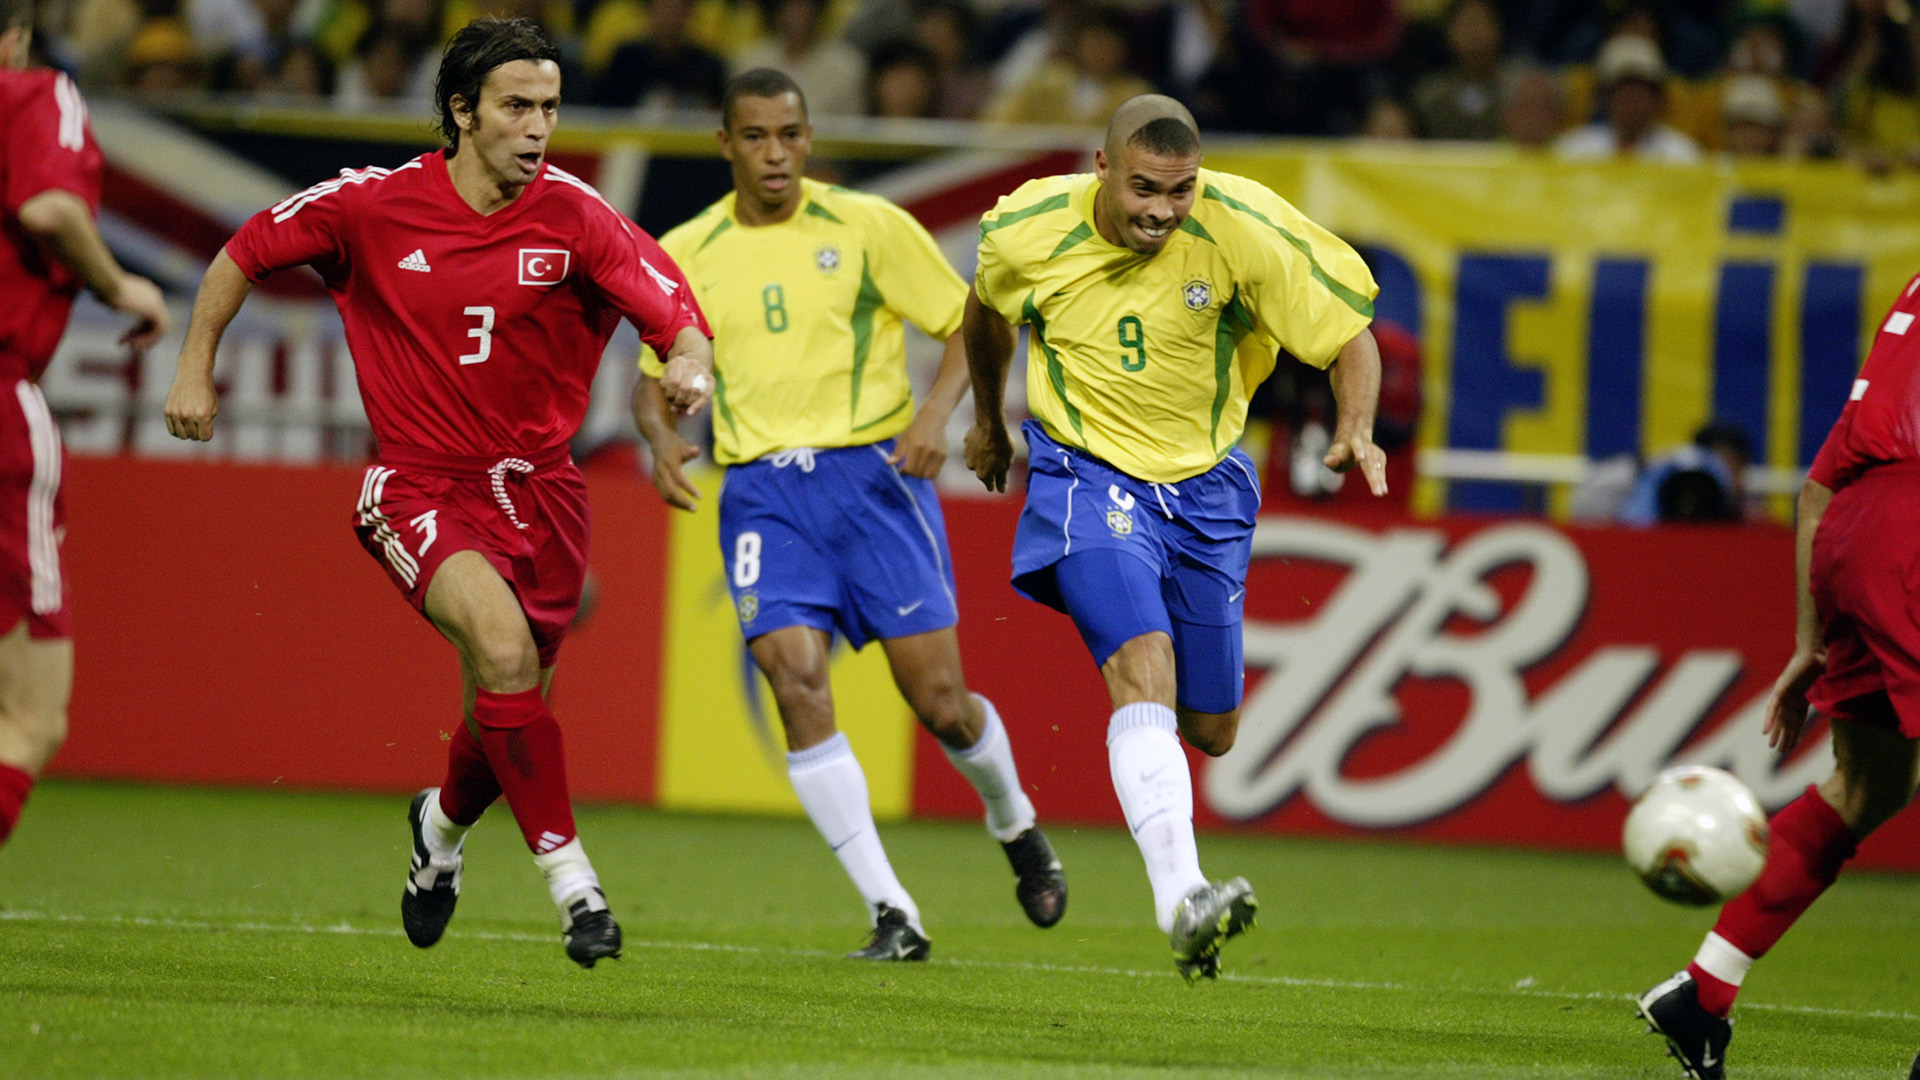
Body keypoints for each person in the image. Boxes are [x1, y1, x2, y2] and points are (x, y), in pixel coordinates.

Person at [161, 17, 715, 967]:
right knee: (501, 655)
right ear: (462, 112)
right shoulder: (370, 206)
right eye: (516, 107)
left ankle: (440, 833)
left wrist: (689, 377)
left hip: (542, 494)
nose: (538, 127)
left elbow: (679, 321)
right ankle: (577, 889)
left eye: (548, 107)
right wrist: (194, 366)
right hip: (419, 482)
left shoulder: (578, 216)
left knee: (505, 713)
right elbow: (245, 250)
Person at [635, 69, 1066, 961]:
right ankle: (893, 911)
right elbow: (652, 376)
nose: (776, 154)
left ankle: (1013, 820)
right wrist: (659, 436)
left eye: (790, 135)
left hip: (873, 483)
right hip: (759, 491)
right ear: (725, 144)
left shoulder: (866, 225)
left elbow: (970, 323)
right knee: (795, 682)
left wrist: (934, 418)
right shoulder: (685, 250)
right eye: (755, 137)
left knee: (941, 703)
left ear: (808, 136)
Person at [963, 94, 1387, 979]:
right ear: (1102, 167)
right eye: (1146, 189)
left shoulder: (1243, 226)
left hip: (1207, 487)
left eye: (1181, 191)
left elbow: (1351, 337)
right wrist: (991, 420)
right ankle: (1183, 896)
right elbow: (984, 310)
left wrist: (1359, 425)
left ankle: (1167, 820)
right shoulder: (1026, 228)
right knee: (1141, 662)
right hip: (1088, 474)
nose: (1162, 211)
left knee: (1214, 725)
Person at [1635, 279, 1920, 1078]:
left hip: (1855, 536)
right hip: (1913, 539)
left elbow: (1817, 489)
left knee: (1868, 789)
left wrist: (1809, 637)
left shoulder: (1908, 310)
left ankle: (1702, 993)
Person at [0, 0, 171, 849]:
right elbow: (49, 209)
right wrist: (119, 286)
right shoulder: (33, 94)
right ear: (18, 36)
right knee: (31, 720)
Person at [1553, 35, 1699, 163]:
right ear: (1605, 97)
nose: (1631, 99)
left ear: (1657, 99)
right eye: (1622, 91)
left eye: (1640, 91)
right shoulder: (1573, 151)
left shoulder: (1682, 156)